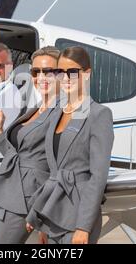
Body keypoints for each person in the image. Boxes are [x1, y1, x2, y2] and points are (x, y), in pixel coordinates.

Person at [26, 46, 114, 244]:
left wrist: (83, 227)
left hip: (77, 217)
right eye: (60, 72)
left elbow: (98, 177)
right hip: (53, 215)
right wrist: (42, 219)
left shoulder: (99, 114)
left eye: (72, 72)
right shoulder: (56, 113)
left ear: (87, 74)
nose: (65, 78)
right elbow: (50, 171)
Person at [0, 46, 61, 244]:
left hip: (27, 200)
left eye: (48, 71)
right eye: (36, 71)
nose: (41, 77)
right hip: (10, 194)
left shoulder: (63, 112)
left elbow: (59, 166)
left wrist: (42, 212)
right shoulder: (36, 109)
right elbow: (19, 156)